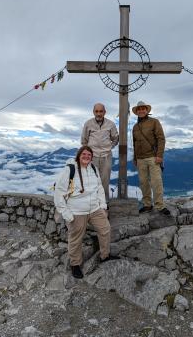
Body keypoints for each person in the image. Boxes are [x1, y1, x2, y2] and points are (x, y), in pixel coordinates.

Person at [54, 146, 113, 279]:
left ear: (92, 157)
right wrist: (67, 214)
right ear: (79, 156)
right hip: (76, 211)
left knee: (105, 229)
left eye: (89, 155)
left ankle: (105, 256)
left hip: (94, 209)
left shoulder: (93, 169)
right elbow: (59, 193)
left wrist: (103, 206)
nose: (86, 157)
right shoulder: (70, 170)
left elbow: (99, 188)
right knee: (76, 238)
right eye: (84, 154)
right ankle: (75, 264)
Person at [132, 101, 170, 215]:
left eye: (143, 109)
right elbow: (134, 143)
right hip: (140, 159)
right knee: (143, 182)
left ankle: (160, 206)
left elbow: (161, 139)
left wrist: (159, 155)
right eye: (139, 109)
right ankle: (147, 205)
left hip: (153, 157)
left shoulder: (154, 122)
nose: (141, 111)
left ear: (147, 110)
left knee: (156, 182)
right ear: (137, 112)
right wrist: (135, 158)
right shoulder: (135, 127)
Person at [81, 103, 119, 202]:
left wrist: (111, 146)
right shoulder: (88, 124)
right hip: (92, 156)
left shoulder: (110, 124)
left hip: (106, 156)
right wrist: (86, 154)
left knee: (105, 181)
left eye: (101, 111)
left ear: (104, 112)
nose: (98, 114)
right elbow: (84, 140)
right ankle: (92, 203)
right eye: (96, 111)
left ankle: (105, 203)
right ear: (93, 112)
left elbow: (115, 138)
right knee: (91, 180)